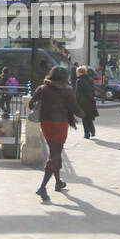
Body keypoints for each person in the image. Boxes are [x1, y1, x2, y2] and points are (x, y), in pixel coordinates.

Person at [30, 66, 82, 200]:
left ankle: (58, 182)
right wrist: (86, 113)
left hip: (46, 124)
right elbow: (77, 111)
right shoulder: (67, 91)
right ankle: (42, 188)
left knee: (55, 152)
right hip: (59, 124)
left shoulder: (42, 88)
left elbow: (31, 104)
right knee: (54, 154)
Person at [74, 65, 99, 139]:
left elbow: (78, 93)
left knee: (84, 117)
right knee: (89, 117)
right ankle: (92, 130)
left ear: (80, 72)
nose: (76, 73)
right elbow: (92, 90)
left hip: (83, 102)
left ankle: (87, 134)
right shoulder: (90, 79)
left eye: (77, 72)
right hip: (90, 100)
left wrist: (76, 102)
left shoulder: (79, 81)